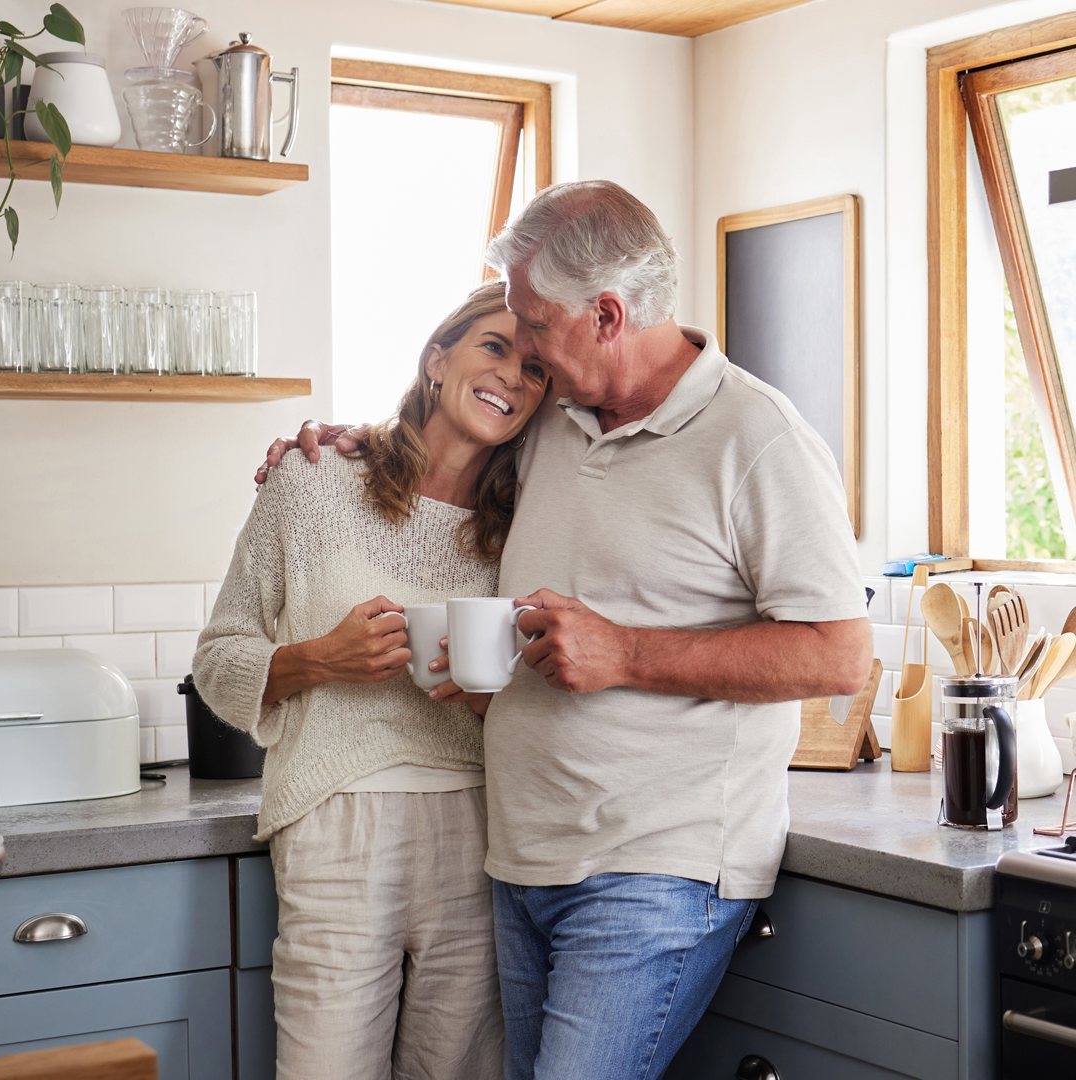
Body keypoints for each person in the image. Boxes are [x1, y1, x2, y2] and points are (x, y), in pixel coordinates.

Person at [263, 180, 873, 1080]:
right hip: (523, 859)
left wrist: (625, 652)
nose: (528, 359)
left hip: (657, 869)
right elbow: (454, 423)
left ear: (608, 315)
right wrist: (343, 442)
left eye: (537, 327)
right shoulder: (557, 419)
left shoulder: (758, 438)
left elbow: (840, 654)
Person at [194, 280, 549, 1080]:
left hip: (481, 828)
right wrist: (323, 658)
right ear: (436, 360)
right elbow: (218, 661)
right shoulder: (313, 481)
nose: (512, 377)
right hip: (334, 823)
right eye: (493, 347)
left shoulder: (528, 523)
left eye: (536, 368)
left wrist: (491, 690)